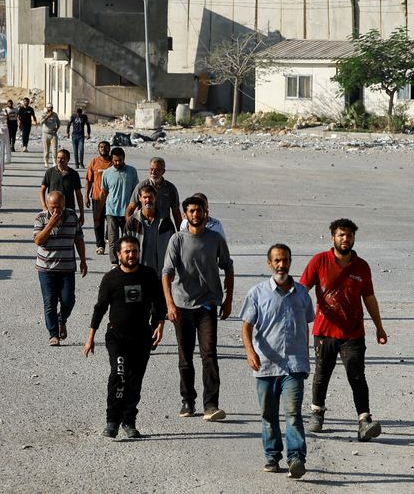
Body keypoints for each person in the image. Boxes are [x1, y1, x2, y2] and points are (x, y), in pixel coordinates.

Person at [300, 218, 388, 442]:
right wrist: (296, 319)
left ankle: (364, 420)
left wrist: (379, 327)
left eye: (349, 235)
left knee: (357, 376)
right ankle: (317, 413)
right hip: (324, 331)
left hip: (353, 333)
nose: (345, 239)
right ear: (333, 238)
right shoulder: (319, 261)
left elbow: (369, 297)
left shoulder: (362, 266)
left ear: (354, 238)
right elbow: (302, 290)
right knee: (321, 374)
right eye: (341, 235)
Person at [240, 244, 314, 479]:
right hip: (265, 365)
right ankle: (272, 457)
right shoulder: (257, 293)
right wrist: (250, 351)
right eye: (277, 261)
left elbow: (306, 326)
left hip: (294, 366)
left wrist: (306, 356)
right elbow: (246, 326)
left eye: (285, 260)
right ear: (269, 263)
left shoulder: (302, 293)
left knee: (293, 414)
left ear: (290, 262)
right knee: (268, 415)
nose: (281, 265)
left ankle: (296, 458)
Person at [84, 235, 165, 439]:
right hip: (117, 338)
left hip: (142, 337)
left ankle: (129, 421)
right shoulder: (111, 279)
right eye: (127, 251)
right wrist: (90, 337)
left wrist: (159, 325)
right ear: (118, 254)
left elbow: (159, 303)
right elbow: (100, 308)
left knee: (134, 381)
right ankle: (112, 421)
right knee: (118, 375)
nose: (131, 255)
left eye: (134, 251)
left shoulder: (148, 275)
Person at [162, 194, 234, 421]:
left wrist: (228, 299)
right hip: (182, 306)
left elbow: (228, 268)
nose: (196, 214)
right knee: (185, 357)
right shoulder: (177, 240)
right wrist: (170, 304)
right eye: (191, 211)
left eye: (199, 210)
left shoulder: (215, 239)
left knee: (209, 354)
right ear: (185, 215)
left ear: (206, 212)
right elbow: (166, 273)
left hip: (207, 305)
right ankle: (188, 401)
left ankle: (211, 405)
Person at [33, 191, 88, 346]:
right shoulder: (41, 218)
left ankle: (61, 320)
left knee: (68, 300)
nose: (55, 211)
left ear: (64, 205)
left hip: (67, 268)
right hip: (46, 269)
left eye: (58, 207)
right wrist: (50, 224)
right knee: (49, 302)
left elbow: (79, 239)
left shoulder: (72, 216)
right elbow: (38, 240)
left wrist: (83, 260)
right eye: (52, 207)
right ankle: (53, 334)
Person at [124, 185, 176, 277]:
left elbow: (173, 248)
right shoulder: (132, 222)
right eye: (145, 197)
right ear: (139, 198)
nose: (148, 200)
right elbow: (124, 248)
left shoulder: (166, 222)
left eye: (150, 197)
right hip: (137, 273)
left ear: (155, 198)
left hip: (160, 274)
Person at [100, 147, 139, 266]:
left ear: (124, 159)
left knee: (128, 238)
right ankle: (114, 263)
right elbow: (104, 192)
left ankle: (127, 261)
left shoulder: (132, 171)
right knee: (113, 239)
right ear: (112, 159)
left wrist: (136, 209)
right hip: (111, 211)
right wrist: (100, 211)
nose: (118, 163)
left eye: (120, 160)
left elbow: (136, 191)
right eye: (115, 160)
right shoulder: (106, 173)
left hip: (127, 212)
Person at [126, 157, 182, 227]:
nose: (153, 172)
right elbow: (131, 208)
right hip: (144, 226)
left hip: (164, 227)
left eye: (157, 170)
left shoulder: (170, 188)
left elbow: (176, 212)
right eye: (151, 169)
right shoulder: (141, 186)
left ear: (163, 171)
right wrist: (129, 226)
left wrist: (180, 232)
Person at [40, 149, 84, 227]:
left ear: (68, 159)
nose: (60, 160)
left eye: (63, 158)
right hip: (53, 210)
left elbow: (79, 195)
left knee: (69, 232)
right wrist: (44, 206)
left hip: (69, 210)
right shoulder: (50, 172)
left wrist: (82, 213)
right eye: (58, 158)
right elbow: (42, 190)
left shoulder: (74, 174)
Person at [85, 141, 112, 255]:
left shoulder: (113, 162)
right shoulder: (94, 162)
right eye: (101, 147)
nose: (103, 148)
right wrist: (86, 196)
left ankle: (108, 238)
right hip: (97, 197)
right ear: (98, 149)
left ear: (109, 149)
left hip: (112, 198)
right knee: (98, 222)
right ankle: (100, 245)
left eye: (105, 147)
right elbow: (89, 180)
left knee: (111, 221)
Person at [40, 104, 61, 168]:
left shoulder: (55, 114)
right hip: (45, 134)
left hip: (53, 134)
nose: (51, 109)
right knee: (46, 149)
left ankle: (54, 162)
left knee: (54, 149)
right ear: (47, 108)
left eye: (52, 107)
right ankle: (46, 162)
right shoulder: (44, 114)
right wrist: (47, 117)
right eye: (49, 107)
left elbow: (58, 123)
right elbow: (41, 122)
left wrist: (56, 129)